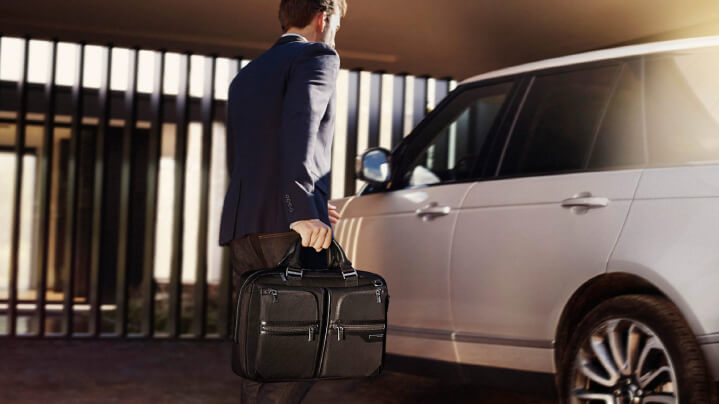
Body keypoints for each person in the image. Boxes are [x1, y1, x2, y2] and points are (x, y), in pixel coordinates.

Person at [218, 0, 347, 402]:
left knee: (258, 350)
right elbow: (301, 127)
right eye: (337, 23)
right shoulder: (317, 55)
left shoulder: (247, 73)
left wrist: (310, 202)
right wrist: (302, 209)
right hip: (287, 230)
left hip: (244, 227)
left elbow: (242, 158)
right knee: (301, 351)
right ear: (323, 18)